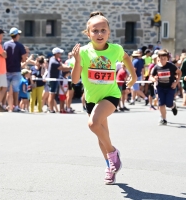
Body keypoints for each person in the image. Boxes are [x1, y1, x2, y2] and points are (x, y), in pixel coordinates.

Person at [71, 11, 137, 185]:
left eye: (103, 30)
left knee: (93, 124)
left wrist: (134, 75)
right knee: (101, 135)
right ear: (88, 33)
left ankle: (113, 152)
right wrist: (77, 60)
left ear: (108, 32)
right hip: (92, 99)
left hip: (111, 95)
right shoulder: (84, 52)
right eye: (95, 31)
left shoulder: (116, 49)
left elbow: (126, 58)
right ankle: (110, 166)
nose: (99, 34)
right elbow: (75, 80)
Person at [150, 49, 181, 125]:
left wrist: (176, 82)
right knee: (161, 103)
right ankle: (164, 119)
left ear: (167, 58)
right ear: (158, 58)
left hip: (170, 87)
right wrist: (154, 79)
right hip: (160, 87)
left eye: (164, 59)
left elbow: (179, 73)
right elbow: (151, 76)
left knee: (168, 104)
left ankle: (173, 106)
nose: (163, 60)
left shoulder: (171, 66)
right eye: (161, 59)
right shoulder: (156, 67)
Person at [4, 27, 27, 112]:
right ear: (17, 35)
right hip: (16, 69)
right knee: (15, 90)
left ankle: (7, 105)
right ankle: (16, 106)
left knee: (6, 90)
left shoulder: (6, 44)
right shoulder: (20, 45)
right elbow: (24, 58)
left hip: (6, 69)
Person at [47, 47, 72, 113]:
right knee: (52, 94)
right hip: (52, 79)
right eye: (59, 53)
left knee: (52, 94)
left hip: (55, 79)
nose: (60, 54)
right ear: (56, 54)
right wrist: (72, 67)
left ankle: (51, 108)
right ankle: (51, 109)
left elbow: (62, 65)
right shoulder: (54, 62)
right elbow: (63, 68)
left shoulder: (55, 59)